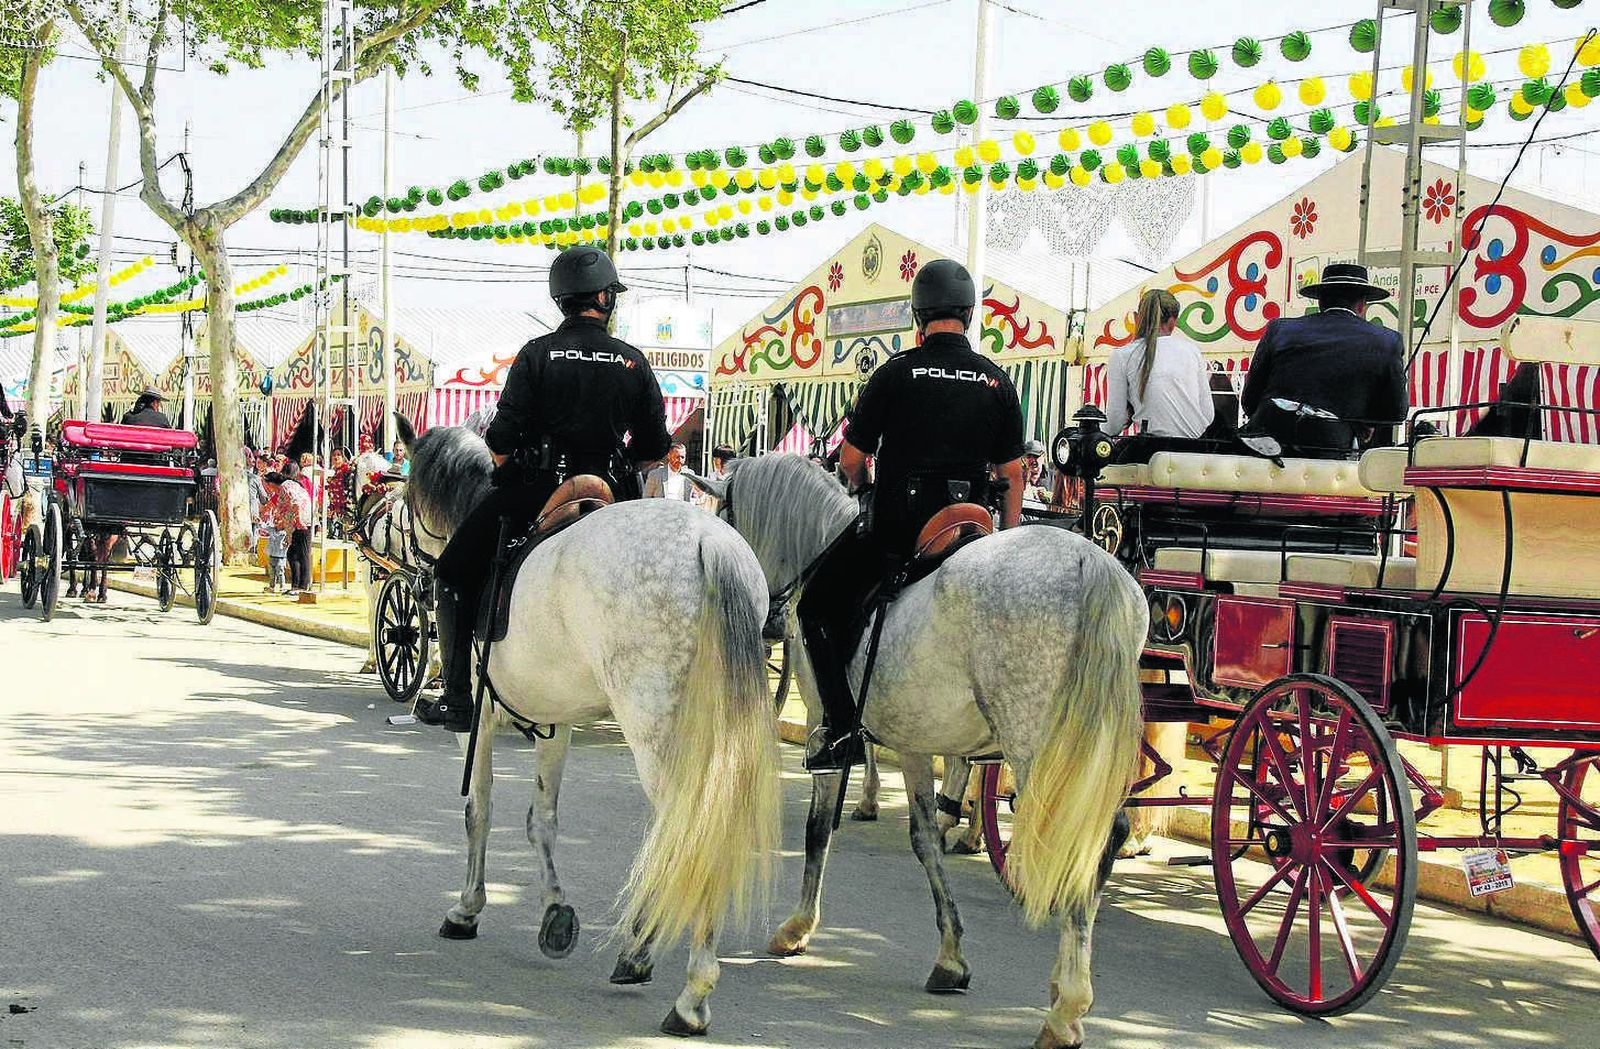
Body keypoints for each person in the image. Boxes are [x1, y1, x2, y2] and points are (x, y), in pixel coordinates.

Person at [423, 244, 673, 732]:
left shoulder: (536, 355)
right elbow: (652, 448)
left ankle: (456, 696)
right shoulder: (633, 362)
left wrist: (511, 467)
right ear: (605, 298)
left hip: (536, 489)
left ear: (562, 299)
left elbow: (500, 441)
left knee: (452, 573)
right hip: (613, 495)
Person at [797, 258, 1026, 773]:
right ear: (970, 313)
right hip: (972, 528)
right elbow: (1012, 472)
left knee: (815, 608)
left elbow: (852, 460)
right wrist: (1007, 539)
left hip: (900, 532)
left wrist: (860, 488)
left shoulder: (895, 373)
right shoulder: (997, 381)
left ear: (917, 317)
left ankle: (840, 729)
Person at [1242, 263, 1408, 458]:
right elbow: (1395, 413)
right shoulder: (1387, 341)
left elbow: (1250, 400)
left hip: (1265, 444)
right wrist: (1362, 421)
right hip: (1330, 451)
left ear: (1320, 302)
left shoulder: (1280, 329)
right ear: (1362, 305)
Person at [1104, 289, 1215, 459]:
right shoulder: (1193, 351)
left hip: (1150, 452)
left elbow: (1114, 424)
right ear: (1172, 322)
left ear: (1137, 318)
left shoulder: (1122, 355)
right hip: (1196, 452)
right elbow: (1208, 415)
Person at [279, 462, 313, 594]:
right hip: (304, 521)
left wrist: (298, 519)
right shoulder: (299, 485)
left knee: (299, 554)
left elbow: (296, 503)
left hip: (300, 522)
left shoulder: (287, 485)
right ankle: (297, 585)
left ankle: (301, 586)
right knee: (296, 554)